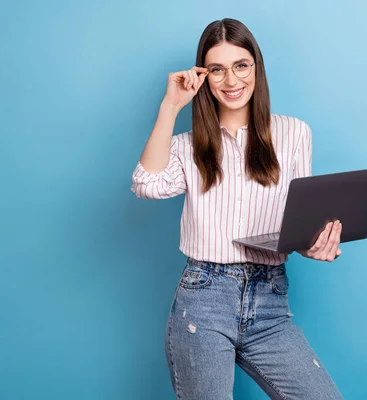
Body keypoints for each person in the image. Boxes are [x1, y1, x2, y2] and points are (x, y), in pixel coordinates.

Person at [131, 18, 344, 400]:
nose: (231, 81)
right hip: (204, 300)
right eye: (217, 69)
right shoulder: (188, 144)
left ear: (256, 68)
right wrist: (170, 105)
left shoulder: (294, 133)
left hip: (271, 300)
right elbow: (146, 184)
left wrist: (311, 243)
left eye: (240, 66)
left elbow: (298, 219)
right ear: (204, 76)